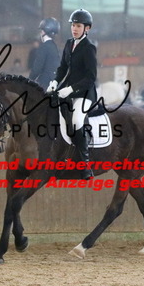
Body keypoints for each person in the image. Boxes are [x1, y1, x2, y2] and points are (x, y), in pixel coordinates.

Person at [47, 9, 97, 180]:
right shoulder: (69, 44)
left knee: (76, 121)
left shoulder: (89, 48)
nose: (74, 29)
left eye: (78, 26)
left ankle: (85, 165)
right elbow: (62, 68)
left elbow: (91, 77)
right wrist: (55, 82)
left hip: (84, 94)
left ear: (87, 28)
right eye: (73, 25)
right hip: (66, 91)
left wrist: (71, 89)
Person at [29, 17, 61, 89]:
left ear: (43, 32)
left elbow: (37, 69)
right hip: (56, 83)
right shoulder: (54, 46)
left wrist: (29, 80)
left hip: (45, 84)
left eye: (41, 30)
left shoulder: (44, 47)